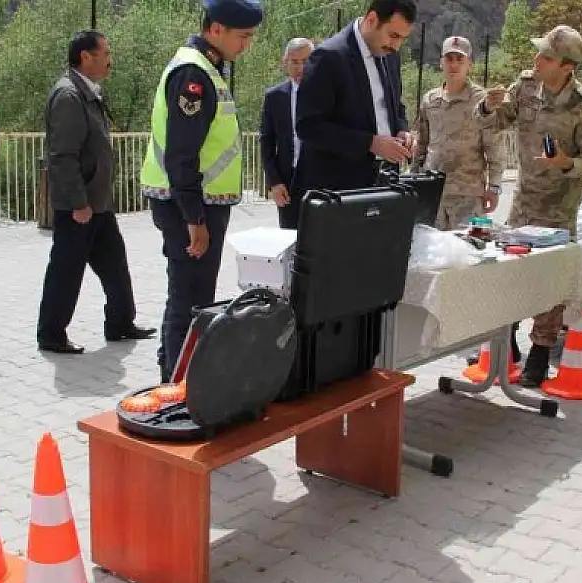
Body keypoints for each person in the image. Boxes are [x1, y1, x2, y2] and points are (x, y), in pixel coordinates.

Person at [478, 25, 582, 387]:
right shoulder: (524, 87)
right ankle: (507, 346)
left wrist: (567, 163)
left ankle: (539, 355)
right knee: (510, 273)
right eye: (538, 53)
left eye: (547, 57)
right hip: (521, 202)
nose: (537, 60)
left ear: (567, 66)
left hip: (558, 208)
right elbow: (496, 120)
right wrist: (488, 106)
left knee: (550, 286)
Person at [139, 0, 263, 383]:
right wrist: (194, 218)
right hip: (190, 206)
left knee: (191, 295)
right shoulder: (194, 73)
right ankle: (178, 387)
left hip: (197, 203)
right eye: (243, 36)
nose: (247, 45)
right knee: (190, 299)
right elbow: (181, 154)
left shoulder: (207, 68)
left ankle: (173, 373)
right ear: (216, 30)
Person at [36, 30, 156, 355]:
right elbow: (62, 156)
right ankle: (51, 334)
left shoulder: (87, 92)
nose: (110, 59)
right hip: (80, 206)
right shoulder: (68, 96)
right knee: (66, 269)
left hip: (97, 204)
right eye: (105, 53)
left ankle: (120, 323)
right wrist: (78, 202)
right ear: (85, 57)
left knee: (115, 264)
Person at [293, 0, 417, 195]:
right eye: (393, 35)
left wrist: (402, 130)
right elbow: (308, 127)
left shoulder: (390, 55)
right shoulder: (329, 57)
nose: (396, 45)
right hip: (338, 191)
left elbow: (395, 106)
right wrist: (370, 143)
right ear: (372, 19)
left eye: (402, 38)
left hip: (385, 184)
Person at [411, 35, 506, 230]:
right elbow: (421, 144)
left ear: (469, 64)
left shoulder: (482, 101)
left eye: (459, 59)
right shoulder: (430, 100)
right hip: (434, 194)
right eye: (449, 59)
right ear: (441, 63)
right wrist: (414, 179)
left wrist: (494, 187)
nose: (453, 64)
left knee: (468, 253)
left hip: (468, 195)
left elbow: (494, 146)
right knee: (434, 252)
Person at [260, 37, 313, 229]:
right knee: (289, 240)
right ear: (285, 63)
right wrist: (274, 182)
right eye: (295, 62)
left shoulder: (327, 94)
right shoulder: (274, 97)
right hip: (287, 181)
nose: (300, 68)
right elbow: (266, 142)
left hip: (319, 179)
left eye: (306, 61)